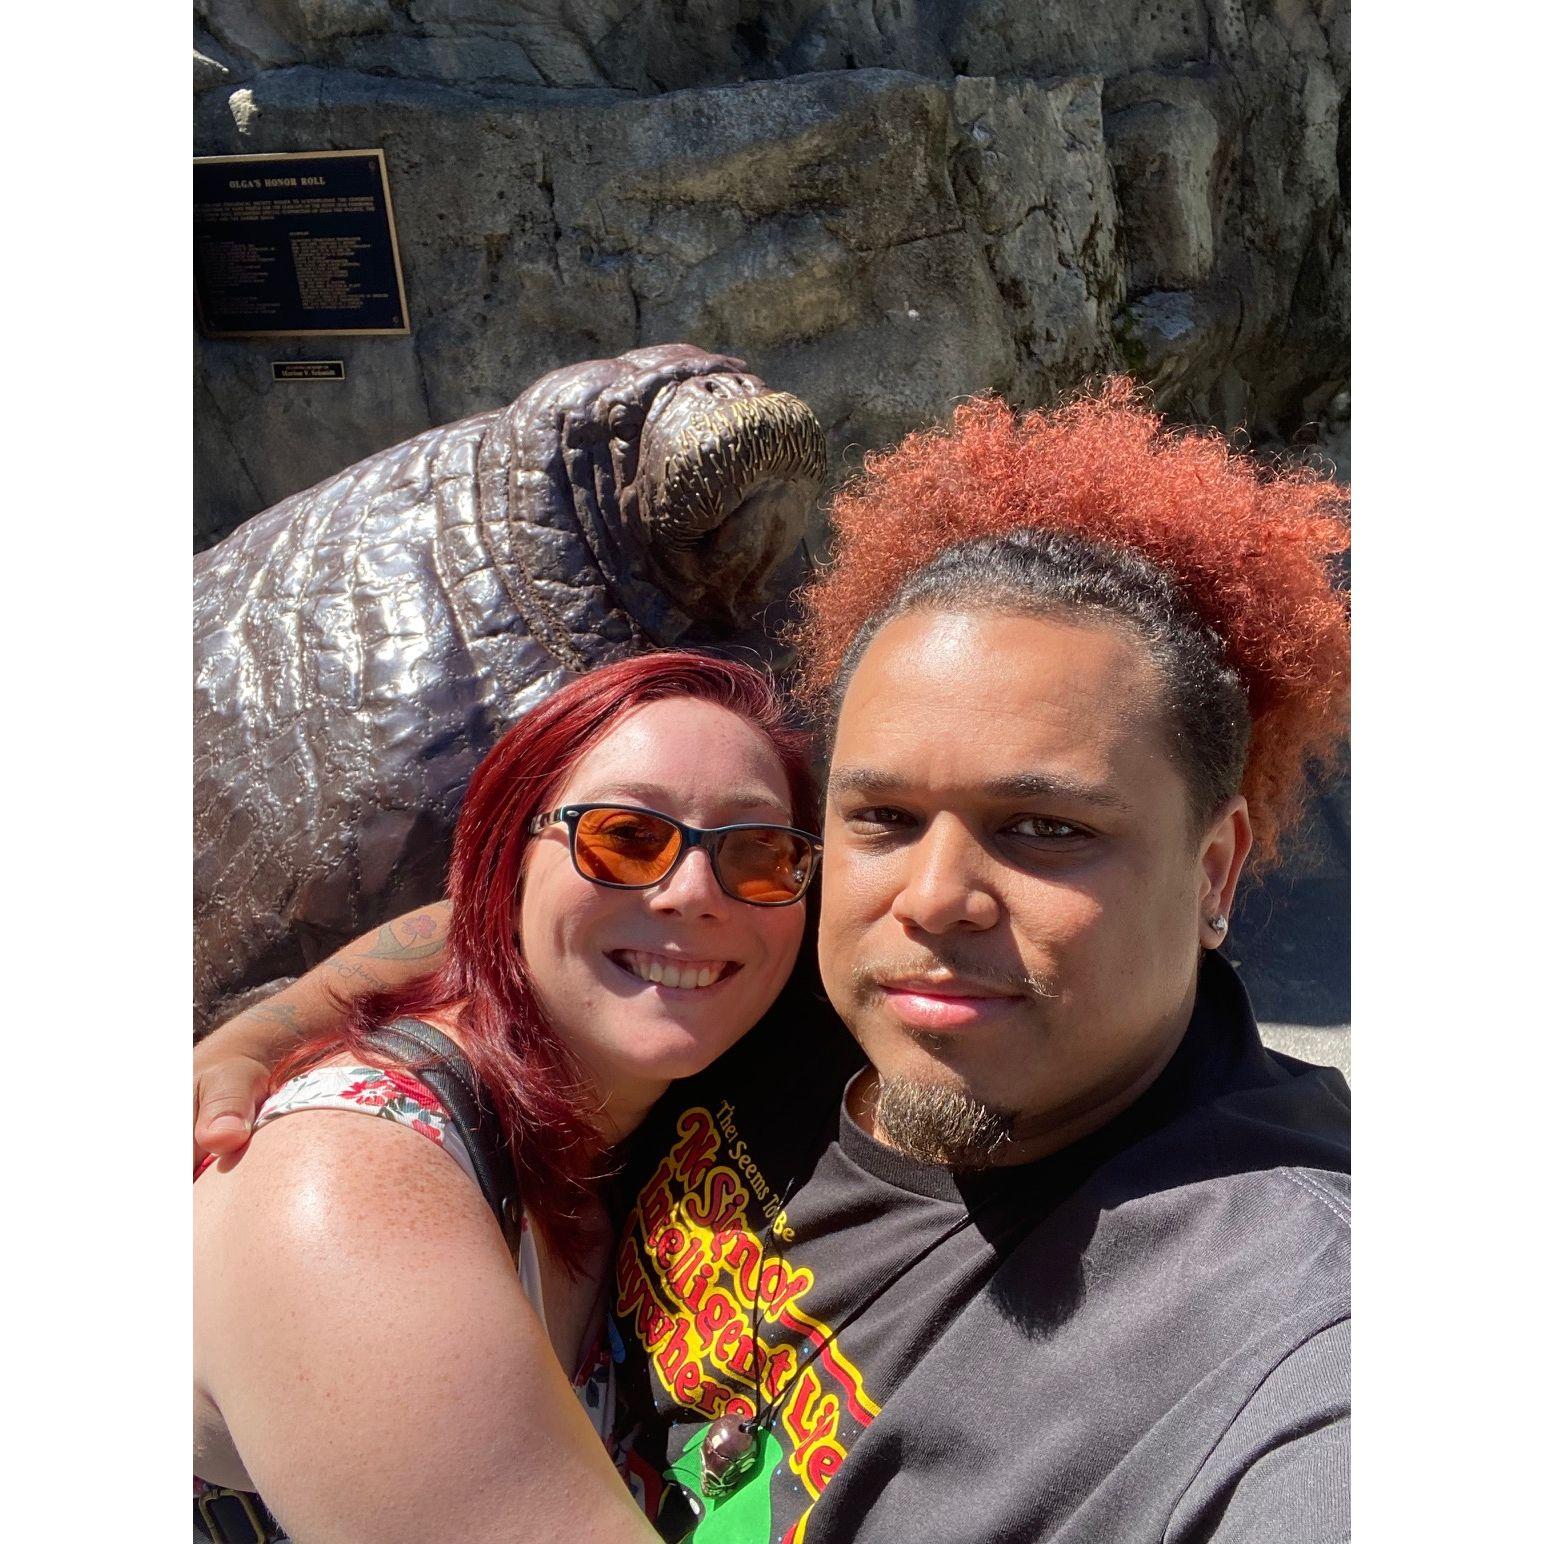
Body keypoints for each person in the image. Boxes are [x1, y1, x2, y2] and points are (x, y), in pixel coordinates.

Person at [196, 379, 1350, 1543]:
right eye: (882, 818)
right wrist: (264, 1027)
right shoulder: (788, 973)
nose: (931, 897)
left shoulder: (1283, 1326)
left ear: (1212, 869)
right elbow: (553, 913)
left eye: (1044, 827)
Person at [194, 650, 823, 1543]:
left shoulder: (658, 1097)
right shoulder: (350, 1182)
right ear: (508, 863)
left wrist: (260, 1030)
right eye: (625, 836)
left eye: (758, 852)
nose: (692, 894)